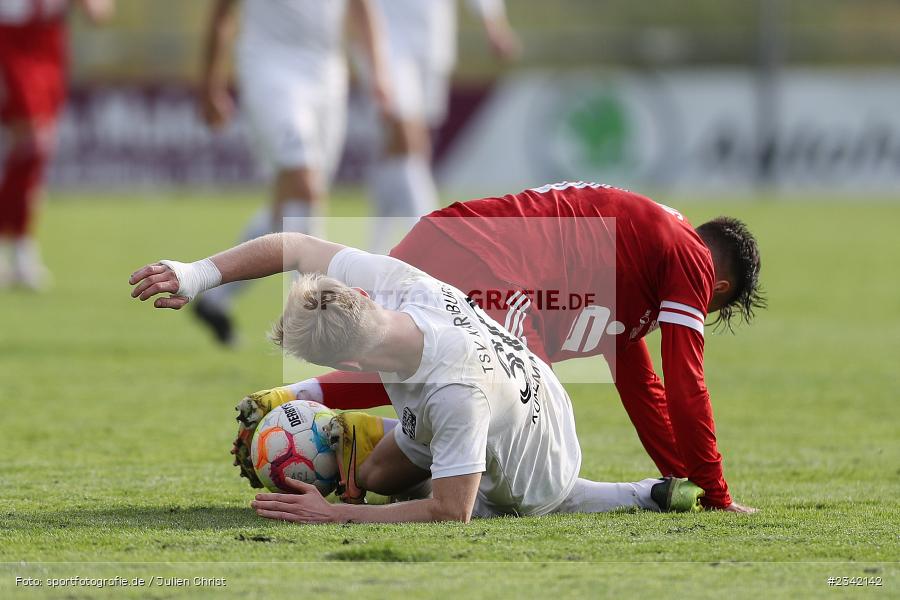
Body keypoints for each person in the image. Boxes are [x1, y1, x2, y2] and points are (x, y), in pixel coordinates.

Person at [231, 181, 765, 513]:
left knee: (417, 359)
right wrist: (717, 494)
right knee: (513, 460)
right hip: (495, 265)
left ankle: (298, 400)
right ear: (716, 291)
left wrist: (689, 477)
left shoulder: (644, 252)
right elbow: (685, 385)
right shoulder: (691, 258)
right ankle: (382, 449)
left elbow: (641, 383)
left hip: (454, 237)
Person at [129, 232, 706, 522]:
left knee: (499, 503)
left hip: (535, 464)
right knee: (377, 470)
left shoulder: (454, 393)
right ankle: (648, 493)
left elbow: (449, 513)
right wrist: (197, 274)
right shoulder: (399, 286)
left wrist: (335, 515)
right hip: (527, 386)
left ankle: (634, 495)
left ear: (354, 365)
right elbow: (296, 245)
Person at [194, 0, 392, 344]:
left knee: (293, 207)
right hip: (270, 68)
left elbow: (361, 8)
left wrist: (379, 72)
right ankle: (312, 318)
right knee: (304, 183)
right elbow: (222, 14)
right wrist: (211, 84)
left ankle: (214, 296)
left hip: (328, 74)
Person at [364, 0, 520, 252]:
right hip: (386, 46)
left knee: (402, 149)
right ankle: (432, 241)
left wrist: (494, 26)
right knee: (406, 138)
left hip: (432, 46)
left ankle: (375, 248)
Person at [0, 0, 113, 289]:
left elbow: (99, 13)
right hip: (11, 38)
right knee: (33, 143)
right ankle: (19, 247)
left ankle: (21, 246)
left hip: (49, 44)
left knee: (37, 150)